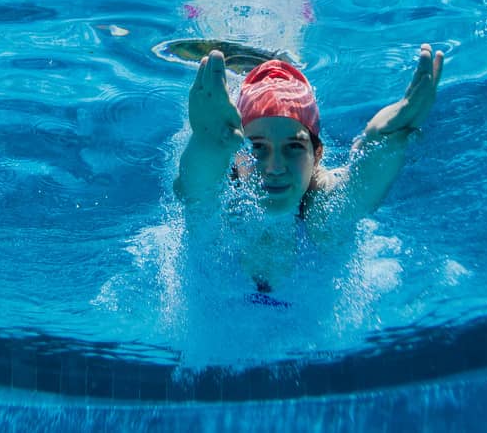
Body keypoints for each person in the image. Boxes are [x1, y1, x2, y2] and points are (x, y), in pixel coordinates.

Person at [173, 44, 443, 295]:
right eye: (257, 147)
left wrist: (384, 138)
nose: (275, 167)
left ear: (317, 155)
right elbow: (196, 188)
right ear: (233, 156)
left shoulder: (319, 211)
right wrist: (206, 144)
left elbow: (357, 192)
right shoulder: (223, 207)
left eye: (293, 147)